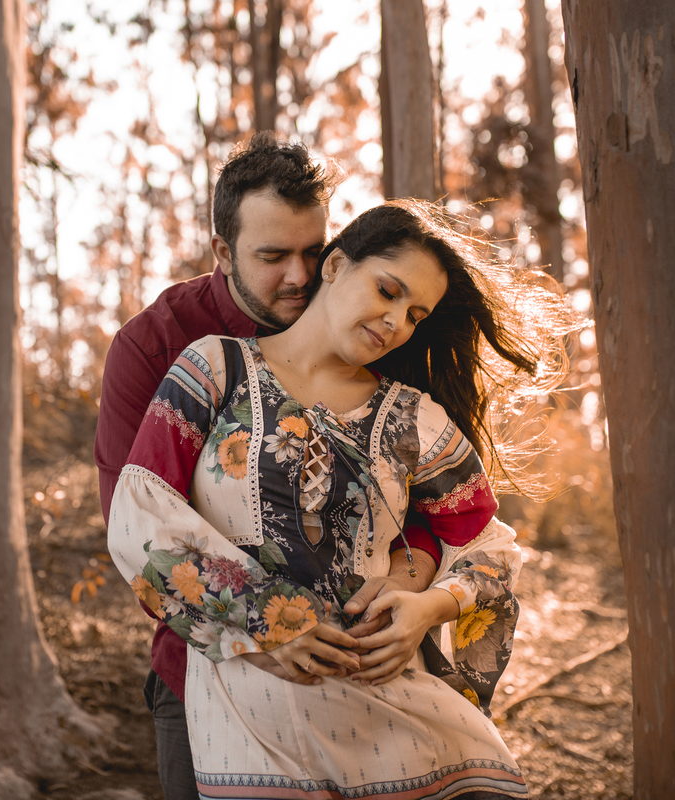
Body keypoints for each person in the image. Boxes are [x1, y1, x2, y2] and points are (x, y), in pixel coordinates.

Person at [108, 200, 572, 798]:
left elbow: (489, 546)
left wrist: (427, 609)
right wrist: (269, 622)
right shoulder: (214, 370)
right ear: (334, 266)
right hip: (255, 720)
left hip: (395, 716)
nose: (396, 321)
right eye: (387, 290)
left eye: (415, 314)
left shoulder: (414, 418)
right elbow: (140, 515)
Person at [94, 133, 445, 799]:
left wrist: (407, 580)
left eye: (313, 252)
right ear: (222, 252)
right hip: (209, 668)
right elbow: (135, 522)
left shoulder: (366, 318)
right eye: (272, 256)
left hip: (368, 677)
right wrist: (262, 625)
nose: (300, 276)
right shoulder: (156, 346)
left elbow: (431, 507)